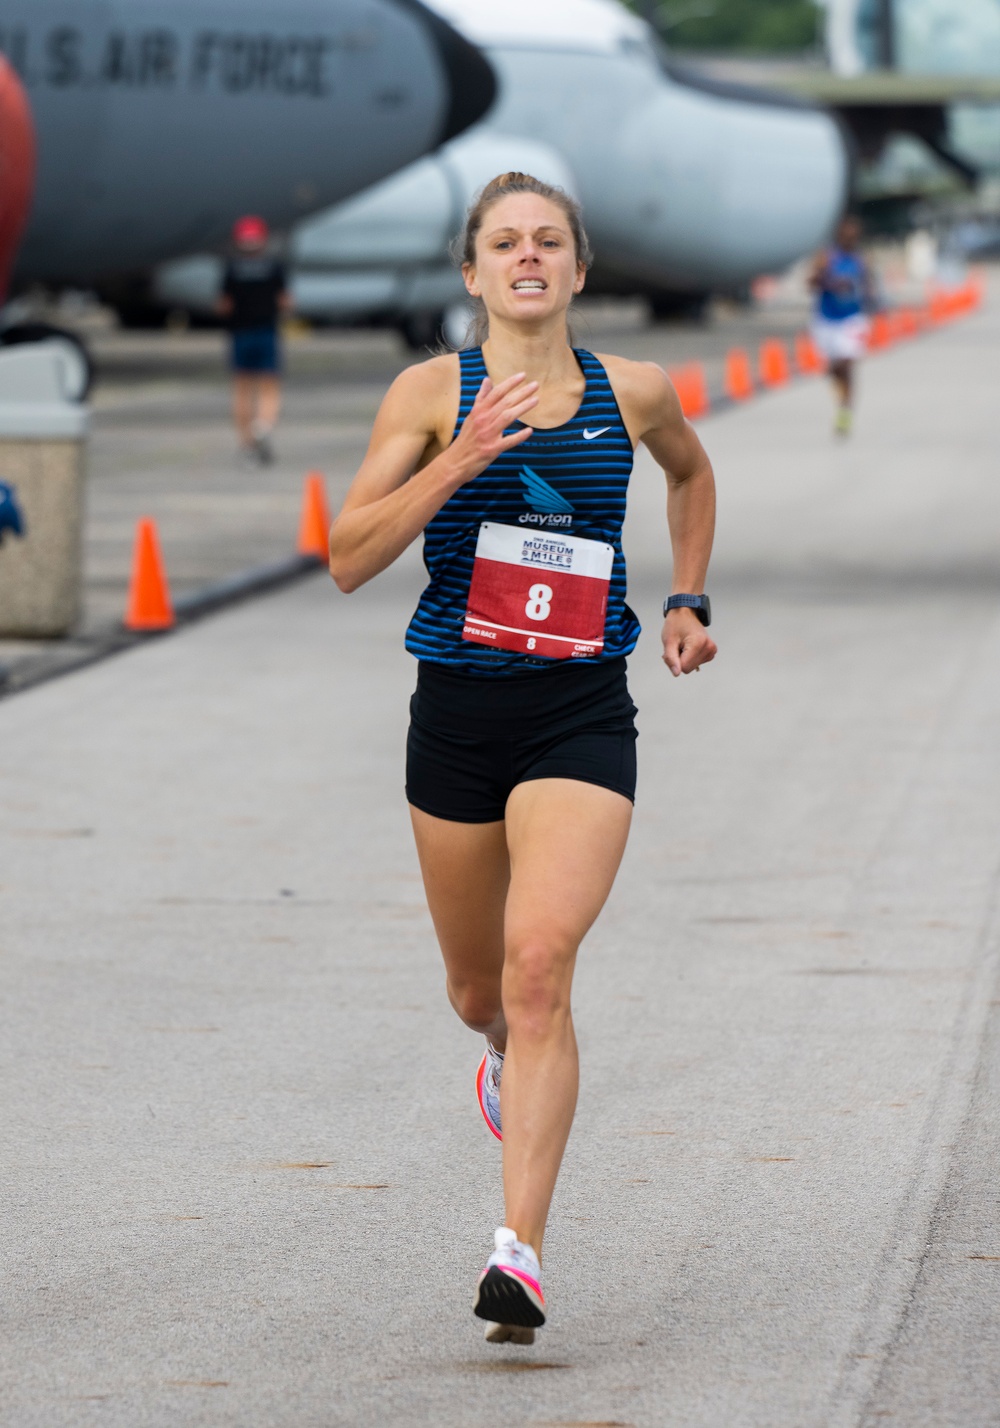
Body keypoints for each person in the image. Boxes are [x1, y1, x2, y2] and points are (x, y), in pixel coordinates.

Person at [328, 172, 717, 1345]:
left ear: (580, 269)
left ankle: (521, 1254)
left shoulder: (632, 389)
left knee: (540, 964)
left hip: (580, 711)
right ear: (473, 273)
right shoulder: (428, 391)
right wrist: (456, 459)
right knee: (479, 992)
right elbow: (347, 557)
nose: (528, 256)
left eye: (549, 240)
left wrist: (687, 595)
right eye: (505, 242)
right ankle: (501, 1052)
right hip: (455, 713)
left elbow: (691, 473)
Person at [217, 216, 290, 465]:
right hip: (267, 332)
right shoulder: (275, 267)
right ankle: (264, 424)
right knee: (269, 387)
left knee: (242, 390)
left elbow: (224, 305)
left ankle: (246, 442)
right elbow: (285, 302)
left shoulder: (231, 268)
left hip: (240, 334)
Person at [809, 215, 875, 437]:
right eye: (846, 235)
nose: (850, 239)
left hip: (852, 320)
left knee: (846, 365)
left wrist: (872, 302)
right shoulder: (827, 257)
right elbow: (811, 283)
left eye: (854, 235)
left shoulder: (861, 260)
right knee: (834, 368)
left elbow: (869, 286)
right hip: (826, 320)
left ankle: (845, 411)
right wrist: (828, 281)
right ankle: (842, 395)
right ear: (839, 235)